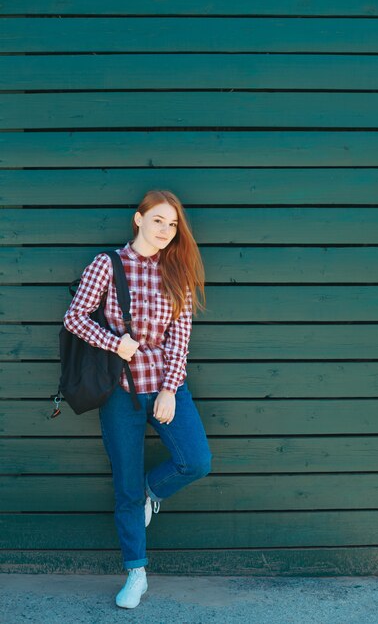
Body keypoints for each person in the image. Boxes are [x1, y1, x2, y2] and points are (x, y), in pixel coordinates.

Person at [63, 189, 213, 609]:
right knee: (124, 488)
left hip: (166, 386)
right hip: (120, 392)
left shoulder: (176, 270)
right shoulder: (108, 265)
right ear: (138, 219)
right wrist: (114, 343)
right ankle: (136, 573)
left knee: (196, 460)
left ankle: (154, 490)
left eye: (173, 224)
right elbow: (74, 317)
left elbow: (180, 339)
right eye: (158, 220)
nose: (166, 230)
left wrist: (170, 388)